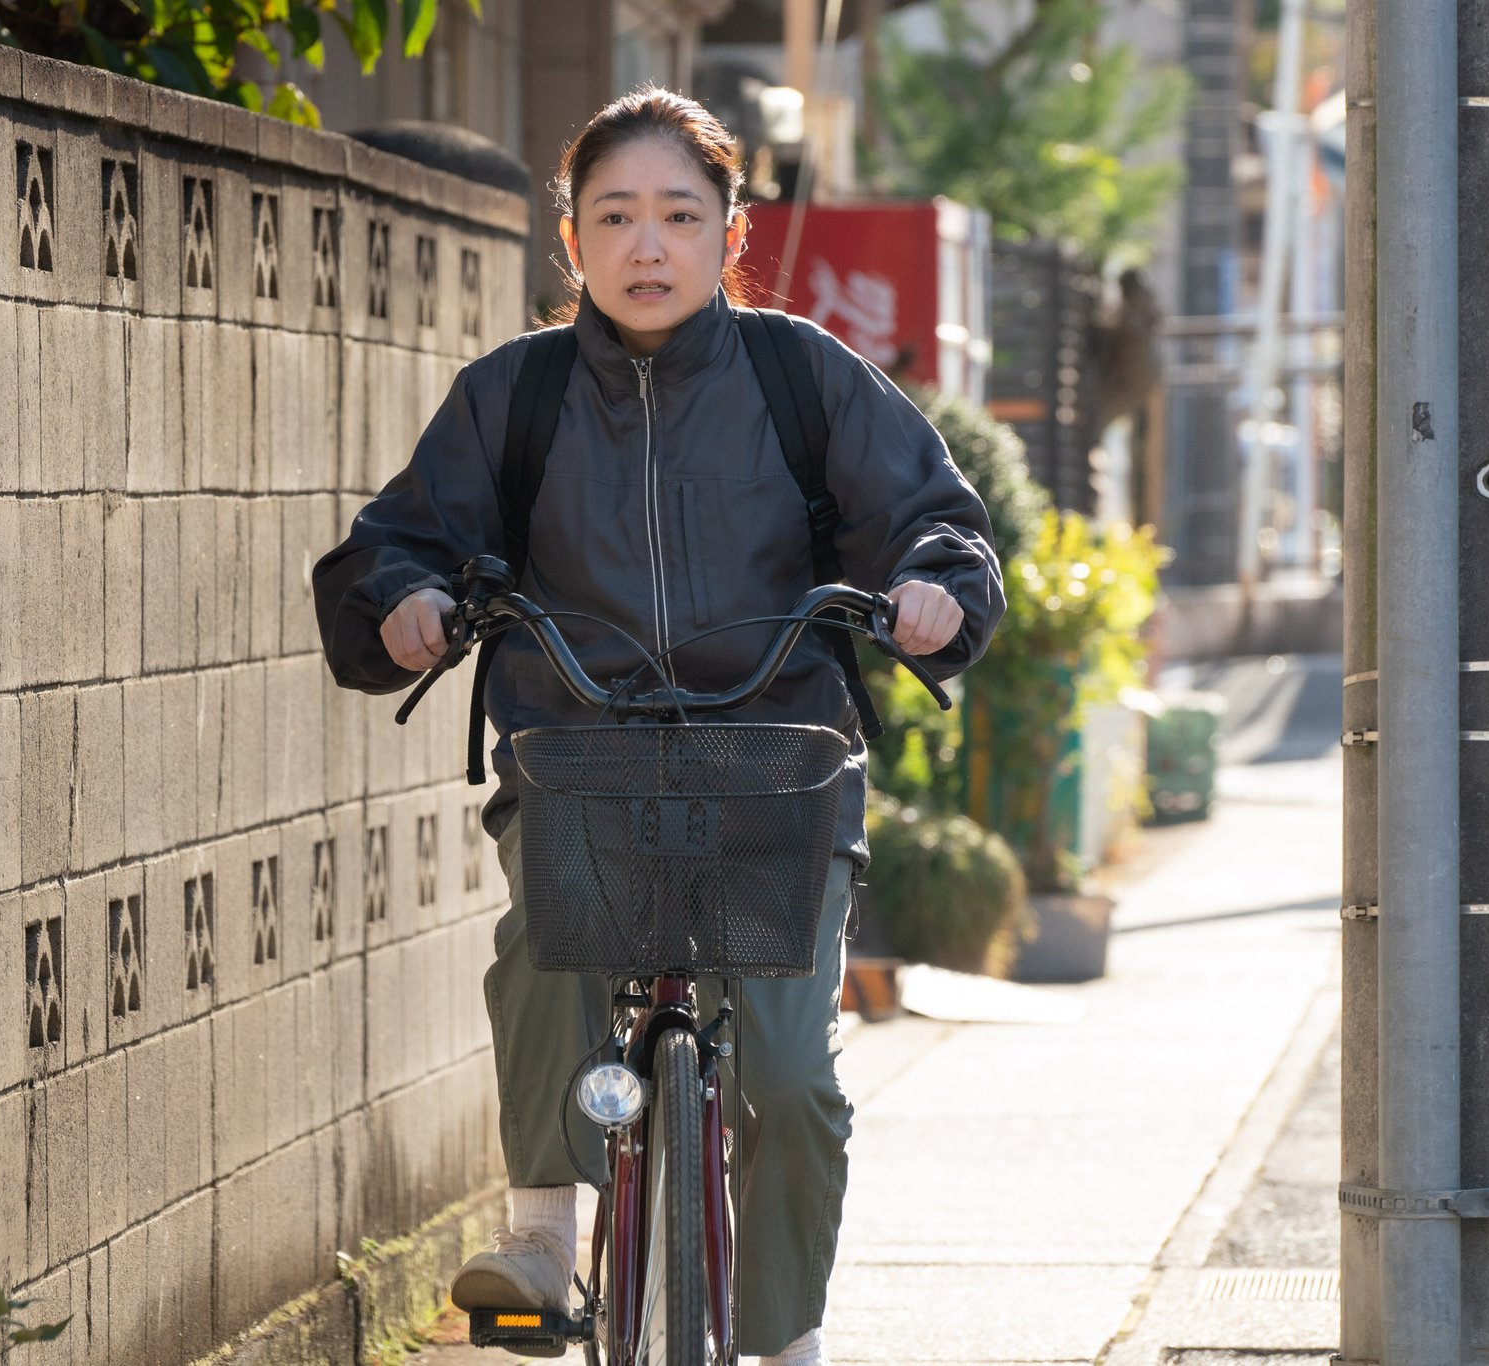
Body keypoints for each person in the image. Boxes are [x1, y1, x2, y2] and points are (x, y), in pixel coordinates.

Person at [312, 88, 1005, 1366]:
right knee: (541, 953)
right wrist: (404, 600)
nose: (646, 246)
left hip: (775, 772)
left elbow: (934, 518)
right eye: (613, 215)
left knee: (790, 1081)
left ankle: (782, 1334)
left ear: (729, 230)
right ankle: (536, 1228)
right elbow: (391, 544)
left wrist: (928, 588)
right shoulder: (509, 398)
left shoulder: (802, 379)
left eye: (678, 216)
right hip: (580, 763)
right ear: (567, 236)